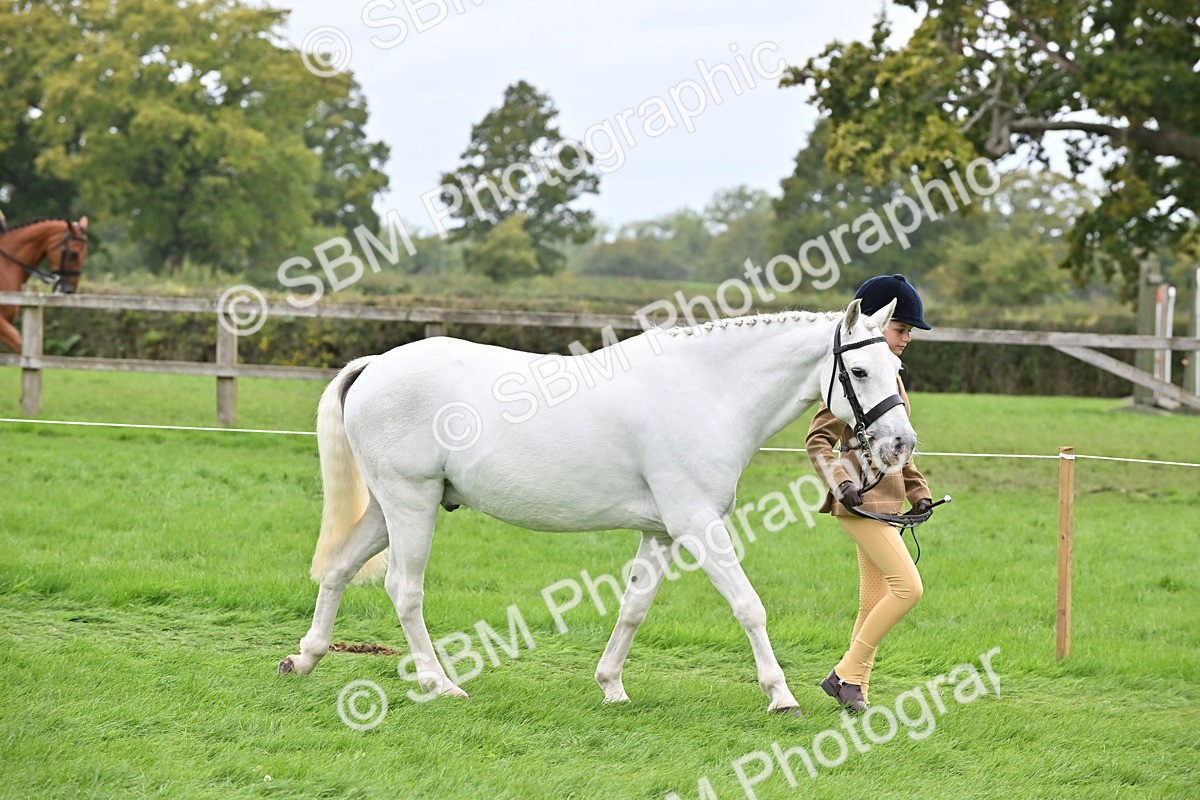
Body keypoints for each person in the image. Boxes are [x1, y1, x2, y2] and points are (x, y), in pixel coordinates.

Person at [806, 274, 935, 712]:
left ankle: (857, 689)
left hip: (889, 504)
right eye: (901, 329)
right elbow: (818, 442)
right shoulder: (851, 380)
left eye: (909, 332)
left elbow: (900, 448)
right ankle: (843, 673)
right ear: (875, 324)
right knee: (908, 589)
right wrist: (841, 483)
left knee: (874, 600)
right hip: (860, 503)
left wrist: (919, 491)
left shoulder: (888, 379)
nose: (907, 339)